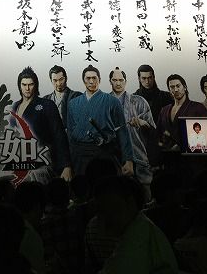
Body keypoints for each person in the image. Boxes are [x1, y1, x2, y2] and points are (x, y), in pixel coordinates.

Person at [94, 175, 178, 274]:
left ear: (130, 203)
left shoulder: (137, 237)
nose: (106, 216)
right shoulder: (141, 228)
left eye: (113, 207)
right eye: (101, 210)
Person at [67, 65, 133, 177]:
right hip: (79, 154)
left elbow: (122, 131)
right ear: (83, 80)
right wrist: (68, 164)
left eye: (94, 78)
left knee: (106, 184)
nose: (91, 81)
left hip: (104, 152)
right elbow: (70, 134)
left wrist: (128, 159)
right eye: (88, 78)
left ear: (100, 80)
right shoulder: (73, 103)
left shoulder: (112, 101)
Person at [11, 67, 72, 183]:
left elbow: (59, 135)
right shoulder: (15, 106)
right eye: (24, 85)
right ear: (19, 86)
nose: (27, 88)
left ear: (36, 85)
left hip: (42, 160)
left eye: (31, 84)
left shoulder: (47, 105)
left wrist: (66, 165)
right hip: (19, 159)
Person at [110, 67, 155, 196]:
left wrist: (143, 123)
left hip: (137, 153)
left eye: (121, 80)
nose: (118, 83)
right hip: (114, 155)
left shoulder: (139, 101)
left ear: (126, 81)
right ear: (110, 81)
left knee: (145, 191)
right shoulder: (105, 101)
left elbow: (152, 129)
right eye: (115, 80)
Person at [156, 74, 207, 152]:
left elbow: (205, 135)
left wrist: (183, 145)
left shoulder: (198, 107)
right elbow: (158, 134)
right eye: (172, 87)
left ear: (185, 87)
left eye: (178, 86)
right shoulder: (164, 110)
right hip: (167, 156)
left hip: (190, 156)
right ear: (169, 90)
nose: (176, 90)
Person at [133, 65, 172, 167]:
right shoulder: (133, 99)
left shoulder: (166, 97)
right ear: (139, 79)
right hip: (142, 144)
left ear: (154, 77)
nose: (147, 81)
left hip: (163, 142)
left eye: (150, 78)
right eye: (144, 78)